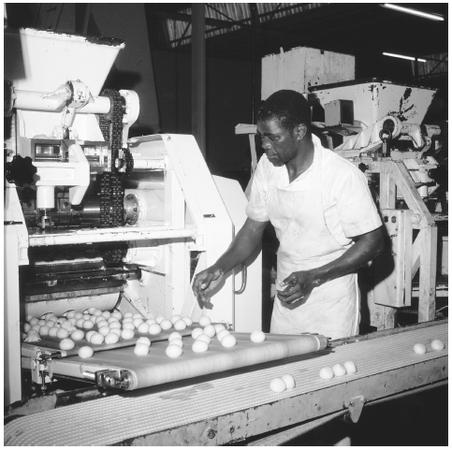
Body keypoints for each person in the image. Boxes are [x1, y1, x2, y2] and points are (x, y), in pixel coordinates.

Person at [193, 89, 385, 339]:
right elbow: (253, 229)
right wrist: (219, 267)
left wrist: (315, 277)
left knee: (330, 373)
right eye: (262, 137)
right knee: (283, 370)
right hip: (287, 295)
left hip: (331, 300)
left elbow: (374, 242)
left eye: (274, 138)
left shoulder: (341, 176)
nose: (265, 146)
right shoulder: (267, 168)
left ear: (300, 132)